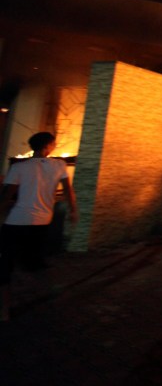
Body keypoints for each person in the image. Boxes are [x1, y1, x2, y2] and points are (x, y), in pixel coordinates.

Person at [1, 132, 79, 321]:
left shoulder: (19, 167)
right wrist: (73, 211)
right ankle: (50, 296)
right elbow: (68, 190)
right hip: (42, 221)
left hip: (17, 221)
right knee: (35, 261)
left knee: (5, 263)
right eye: (54, 143)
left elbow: (7, 196)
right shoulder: (59, 165)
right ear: (48, 146)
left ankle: (3, 310)